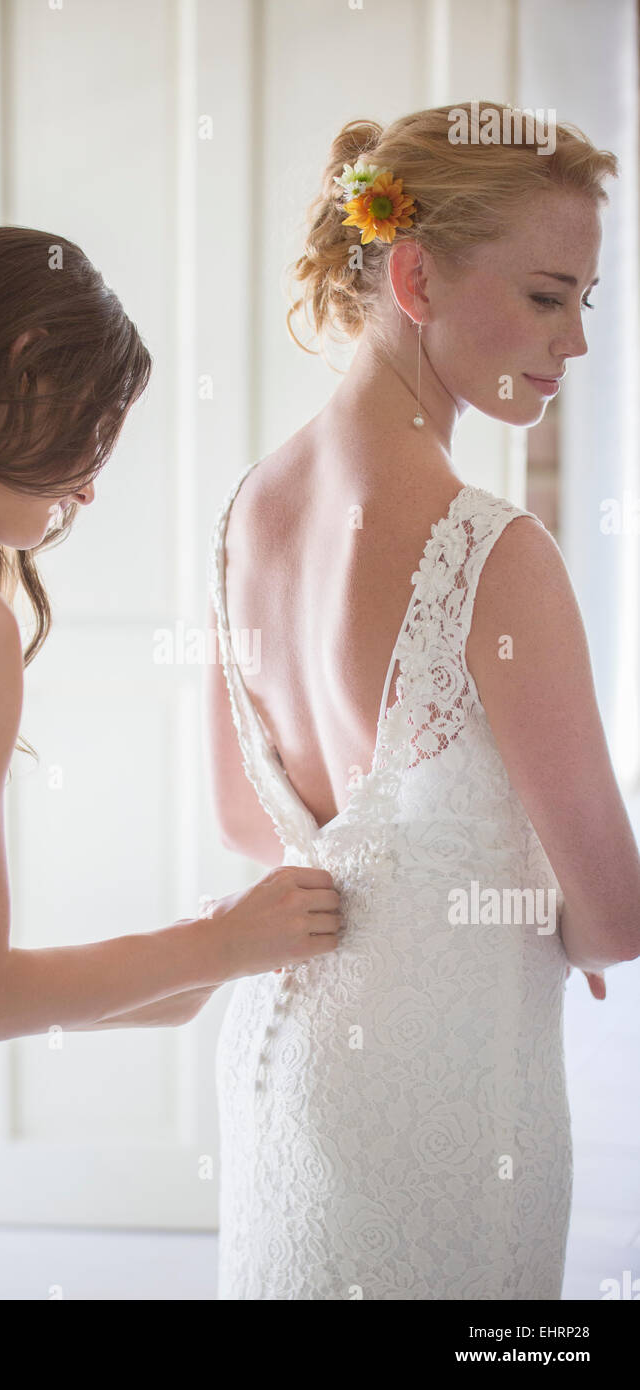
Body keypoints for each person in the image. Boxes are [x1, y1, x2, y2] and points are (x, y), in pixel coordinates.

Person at [0, 225, 343, 1299]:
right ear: (28, 366)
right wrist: (212, 939)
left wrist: (185, 972)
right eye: (100, 431)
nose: (87, 490)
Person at [206, 102, 640, 1300]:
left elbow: (252, 826)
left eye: (584, 304)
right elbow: (613, 918)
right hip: (446, 1103)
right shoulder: (495, 554)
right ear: (412, 275)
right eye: (548, 296)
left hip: (280, 1069)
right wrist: (504, 899)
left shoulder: (246, 512)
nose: (577, 344)